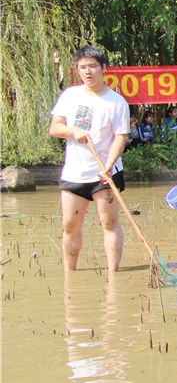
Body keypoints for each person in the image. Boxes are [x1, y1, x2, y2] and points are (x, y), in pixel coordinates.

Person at [48, 45, 129, 272]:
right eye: (83, 67)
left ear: (104, 68)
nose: (88, 71)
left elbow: (119, 139)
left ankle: (114, 274)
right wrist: (74, 131)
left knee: (109, 223)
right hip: (74, 171)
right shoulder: (69, 95)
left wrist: (110, 165)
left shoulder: (117, 102)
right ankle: (69, 274)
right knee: (69, 225)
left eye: (93, 66)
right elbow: (55, 128)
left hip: (104, 171)